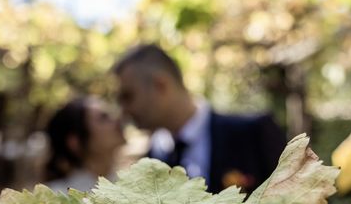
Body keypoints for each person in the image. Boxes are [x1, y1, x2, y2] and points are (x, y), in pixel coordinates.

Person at [113, 44, 287, 195]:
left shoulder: (252, 134)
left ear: (161, 85)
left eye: (128, 97)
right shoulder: (152, 158)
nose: (123, 111)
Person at [44, 96, 125, 193]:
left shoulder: (130, 185)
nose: (116, 120)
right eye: (103, 118)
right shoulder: (58, 197)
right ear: (75, 142)